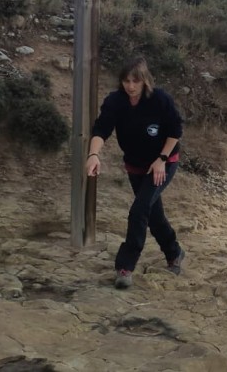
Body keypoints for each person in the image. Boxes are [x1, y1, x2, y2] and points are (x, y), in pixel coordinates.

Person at [86, 57, 185, 290]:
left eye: (136, 81)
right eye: (126, 81)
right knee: (152, 214)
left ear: (145, 81)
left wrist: (161, 159)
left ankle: (125, 266)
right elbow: (101, 129)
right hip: (136, 166)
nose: (130, 86)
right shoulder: (115, 101)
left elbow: (175, 130)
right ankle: (175, 253)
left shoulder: (160, 99)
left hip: (163, 163)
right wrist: (93, 155)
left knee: (139, 209)